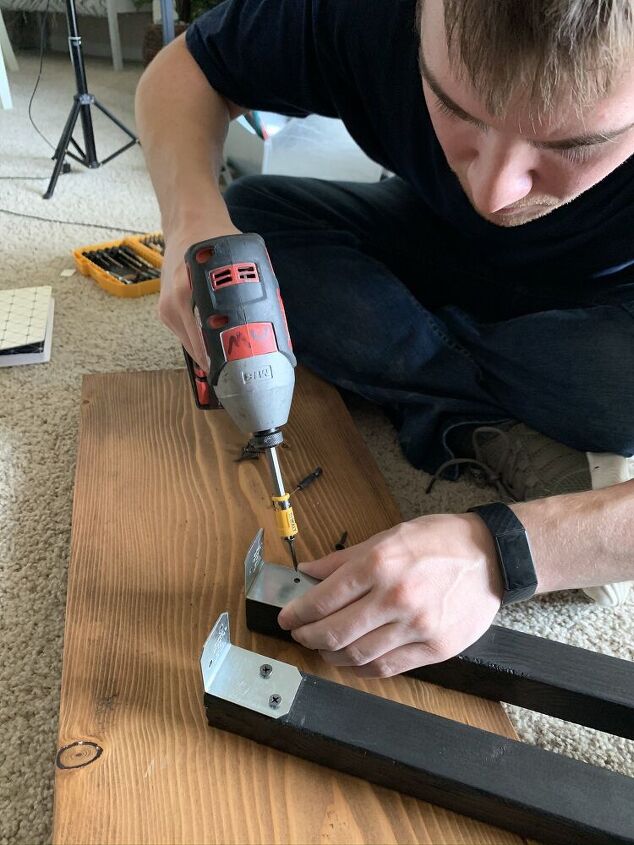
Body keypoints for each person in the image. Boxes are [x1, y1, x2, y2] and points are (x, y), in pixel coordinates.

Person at [136, 0, 634, 678]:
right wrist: (190, 222)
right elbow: (188, 66)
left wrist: (505, 550)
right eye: (455, 109)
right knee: (249, 229)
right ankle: (489, 401)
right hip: (426, 237)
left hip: (610, 302)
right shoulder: (364, 10)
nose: (493, 192)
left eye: (573, 145)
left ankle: (433, 386)